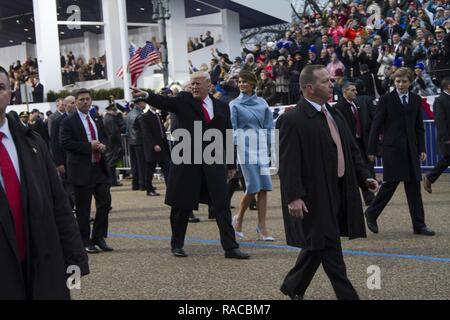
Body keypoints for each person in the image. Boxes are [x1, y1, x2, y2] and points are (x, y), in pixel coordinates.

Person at [276, 65, 379, 300]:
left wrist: (366, 177)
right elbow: (288, 163)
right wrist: (294, 196)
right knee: (330, 247)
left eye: (330, 80)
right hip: (314, 195)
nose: (331, 84)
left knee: (317, 243)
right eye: (325, 81)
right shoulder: (292, 120)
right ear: (310, 88)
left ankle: (293, 286)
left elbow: (351, 150)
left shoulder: (334, 113)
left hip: (339, 189)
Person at [131, 72, 249, 259]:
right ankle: (177, 244)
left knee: (222, 204)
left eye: (197, 83)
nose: (194, 87)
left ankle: (231, 247)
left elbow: (227, 134)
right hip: (187, 161)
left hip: (214, 161)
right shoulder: (184, 100)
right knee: (181, 205)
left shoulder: (221, 106)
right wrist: (146, 95)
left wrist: (230, 163)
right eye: (192, 83)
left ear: (209, 85)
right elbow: (165, 102)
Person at [0, 66, 89, 299]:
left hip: (40, 259)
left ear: (10, 93)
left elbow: (59, 203)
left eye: (0, 87)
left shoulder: (34, 143)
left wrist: (74, 259)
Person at [365, 67, 435, 236]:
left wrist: (422, 148)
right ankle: (371, 213)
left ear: (410, 82)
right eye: (398, 81)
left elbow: (419, 126)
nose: (400, 84)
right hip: (392, 150)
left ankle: (419, 225)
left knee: (414, 188)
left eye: (404, 81)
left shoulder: (416, 99)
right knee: (389, 185)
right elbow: (376, 125)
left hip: (411, 150)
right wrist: (372, 149)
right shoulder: (385, 99)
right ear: (394, 82)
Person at [60, 88, 114, 253]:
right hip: (80, 169)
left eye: (88, 99)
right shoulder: (68, 121)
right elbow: (65, 143)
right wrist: (88, 147)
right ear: (75, 102)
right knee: (83, 209)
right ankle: (85, 241)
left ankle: (99, 236)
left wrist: (103, 145)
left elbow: (104, 136)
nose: (85, 102)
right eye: (82, 99)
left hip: (98, 168)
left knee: (105, 203)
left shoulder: (96, 118)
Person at [229, 71, 275, 241]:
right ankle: (238, 217)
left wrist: (270, 144)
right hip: (245, 147)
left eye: (245, 82)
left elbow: (269, 125)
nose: (241, 84)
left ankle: (262, 226)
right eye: (239, 82)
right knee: (253, 186)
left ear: (253, 84)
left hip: (261, 147)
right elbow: (232, 128)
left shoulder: (262, 102)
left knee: (264, 187)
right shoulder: (234, 104)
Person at [335, 82, 376, 206]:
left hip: (361, 141)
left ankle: (369, 195)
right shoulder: (339, 107)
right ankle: (366, 196)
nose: (355, 92)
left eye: (355, 90)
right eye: (352, 90)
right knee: (358, 169)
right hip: (350, 143)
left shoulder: (356, 104)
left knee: (366, 167)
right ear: (344, 92)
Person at [135, 101, 171, 196]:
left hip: (162, 145)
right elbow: (146, 133)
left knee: (167, 167)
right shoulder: (145, 116)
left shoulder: (157, 115)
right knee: (150, 169)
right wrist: (154, 145)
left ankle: (170, 188)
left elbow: (161, 130)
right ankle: (149, 189)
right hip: (153, 148)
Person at [423, 77, 450, 192]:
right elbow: (440, 120)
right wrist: (446, 137)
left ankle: (430, 177)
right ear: (448, 86)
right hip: (447, 137)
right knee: (447, 159)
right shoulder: (440, 100)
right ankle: (429, 177)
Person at [51, 95, 77, 210]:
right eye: (71, 103)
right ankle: (71, 210)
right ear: (65, 105)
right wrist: (59, 162)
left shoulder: (79, 118)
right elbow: (54, 143)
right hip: (64, 159)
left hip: (77, 159)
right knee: (68, 187)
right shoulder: (58, 121)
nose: (74, 105)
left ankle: (77, 209)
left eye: (75, 102)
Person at [125, 99, 146, 191]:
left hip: (131, 141)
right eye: (144, 102)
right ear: (140, 103)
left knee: (134, 164)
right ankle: (142, 184)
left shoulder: (129, 114)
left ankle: (135, 184)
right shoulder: (140, 114)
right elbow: (143, 129)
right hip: (139, 141)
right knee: (141, 164)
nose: (145, 104)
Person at [103, 104, 126, 187]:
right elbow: (114, 133)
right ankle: (112, 181)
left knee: (111, 163)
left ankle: (112, 180)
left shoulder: (107, 118)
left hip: (110, 144)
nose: (115, 112)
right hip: (113, 144)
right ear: (109, 111)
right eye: (114, 111)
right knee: (111, 163)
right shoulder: (111, 119)